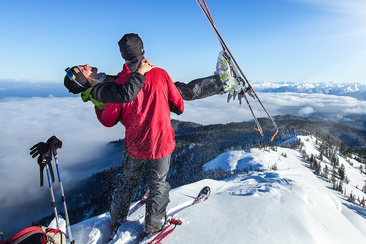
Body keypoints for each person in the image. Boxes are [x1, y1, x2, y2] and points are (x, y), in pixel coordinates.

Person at [63, 33, 244, 236]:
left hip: (134, 143)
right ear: (142, 50)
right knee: (158, 184)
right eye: (82, 69)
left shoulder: (117, 83)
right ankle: (153, 226)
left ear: (124, 56)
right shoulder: (156, 74)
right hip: (159, 142)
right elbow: (179, 106)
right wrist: (160, 94)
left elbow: (111, 117)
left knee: (128, 181)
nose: (86, 65)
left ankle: (117, 218)